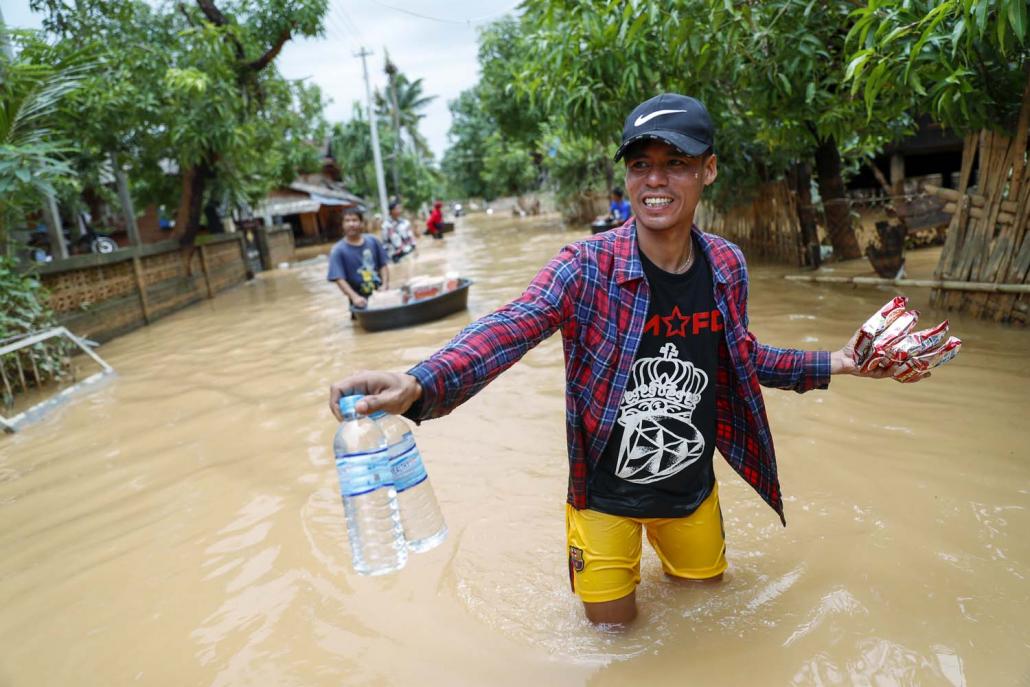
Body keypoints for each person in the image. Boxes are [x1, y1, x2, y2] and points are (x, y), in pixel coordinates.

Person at [329, 93, 929, 626]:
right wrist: (418, 381)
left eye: (677, 163)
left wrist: (842, 362)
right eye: (641, 164)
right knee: (615, 643)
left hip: (691, 492)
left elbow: (741, 359)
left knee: (708, 617)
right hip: (604, 499)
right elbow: (512, 324)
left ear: (708, 170)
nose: (656, 180)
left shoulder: (726, 267)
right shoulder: (584, 266)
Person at [327, 208, 389, 309]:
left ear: (361, 223)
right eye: (347, 221)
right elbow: (339, 278)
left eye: (355, 220)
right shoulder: (337, 250)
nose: (351, 224)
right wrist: (354, 297)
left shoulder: (373, 241)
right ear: (342, 225)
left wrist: (385, 285)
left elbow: (383, 265)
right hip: (359, 300)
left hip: (380, 295)